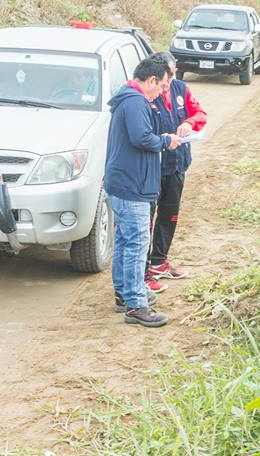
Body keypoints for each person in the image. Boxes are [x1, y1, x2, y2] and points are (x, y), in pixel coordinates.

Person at [105, 56, 180, 327]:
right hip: (132, 185)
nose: (162, 92)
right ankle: (136, 304)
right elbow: (142, 138)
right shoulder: (135, 103)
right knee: (136, 244)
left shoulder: (128, 99)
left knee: (125, 241)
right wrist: (166, 140)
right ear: (150, 81)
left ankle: (125, 294)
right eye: (161, 86)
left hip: (124, 182)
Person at [144, 52, 207, 293]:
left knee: (170, 214)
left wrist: (190, 123)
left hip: (178, 163)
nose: (170, 79)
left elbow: (200, 113)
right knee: (146, 220)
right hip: (153, 167)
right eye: (168, 75)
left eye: (173, 73)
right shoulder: (149, 94)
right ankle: (145, 269)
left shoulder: (181, 88)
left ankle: (160, 261)